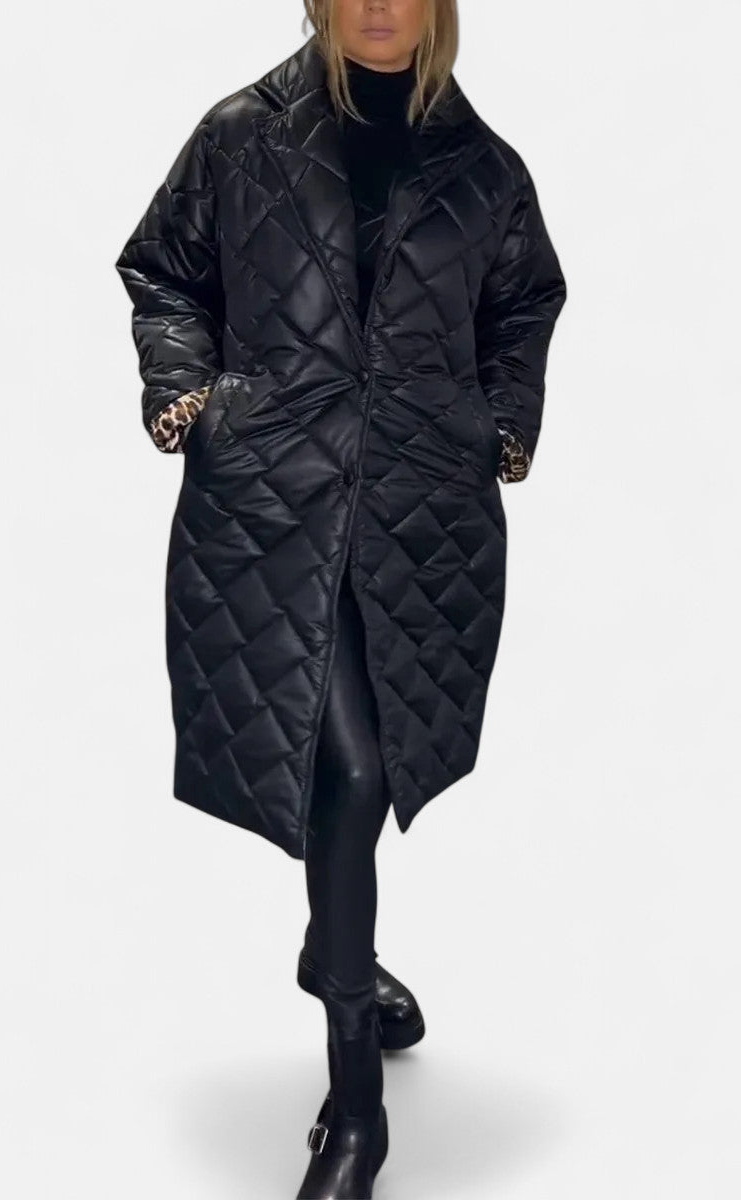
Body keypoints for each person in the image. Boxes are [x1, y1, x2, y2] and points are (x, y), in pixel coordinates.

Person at [114, 1, 566, 1195]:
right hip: (273, 504)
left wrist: (500, 421)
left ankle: (332, 948)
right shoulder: (241, 136)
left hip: (421, 515)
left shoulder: (483, 167)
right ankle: (355, 1104)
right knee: (350, 774)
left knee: (367, 767)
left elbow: (524, 302)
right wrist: (187, 394)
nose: (377, 5)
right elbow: (163, 269)